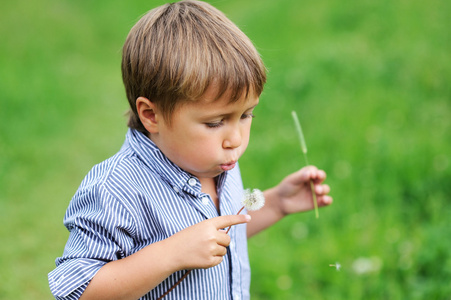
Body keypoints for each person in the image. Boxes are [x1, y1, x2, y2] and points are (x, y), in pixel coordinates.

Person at [48, 1, 332, 299]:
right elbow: (75, 290)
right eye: (214, 123)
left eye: (246, 115)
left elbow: (220, 238)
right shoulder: (116, 190)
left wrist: (276, 203)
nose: (235, 138)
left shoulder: (218, 162)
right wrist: (171, 254)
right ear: (151, 115)